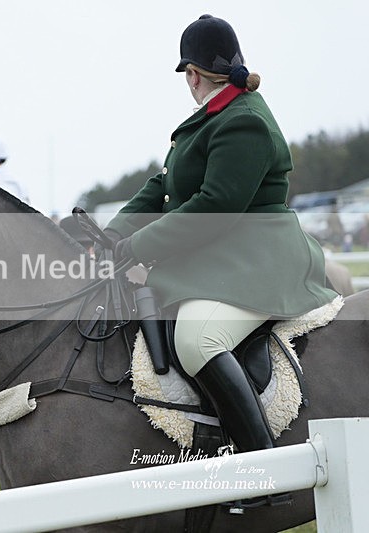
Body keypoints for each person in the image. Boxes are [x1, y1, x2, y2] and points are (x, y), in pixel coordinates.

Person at [103, 15, 337, 454]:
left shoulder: (242, 121)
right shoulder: (212, 115)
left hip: (262, 261)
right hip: (224, 256)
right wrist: (110, 233)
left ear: (192, 74)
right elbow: (164, 187)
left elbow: (213, 207)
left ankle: (264, 467)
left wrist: (134, 248)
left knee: (197, 340)